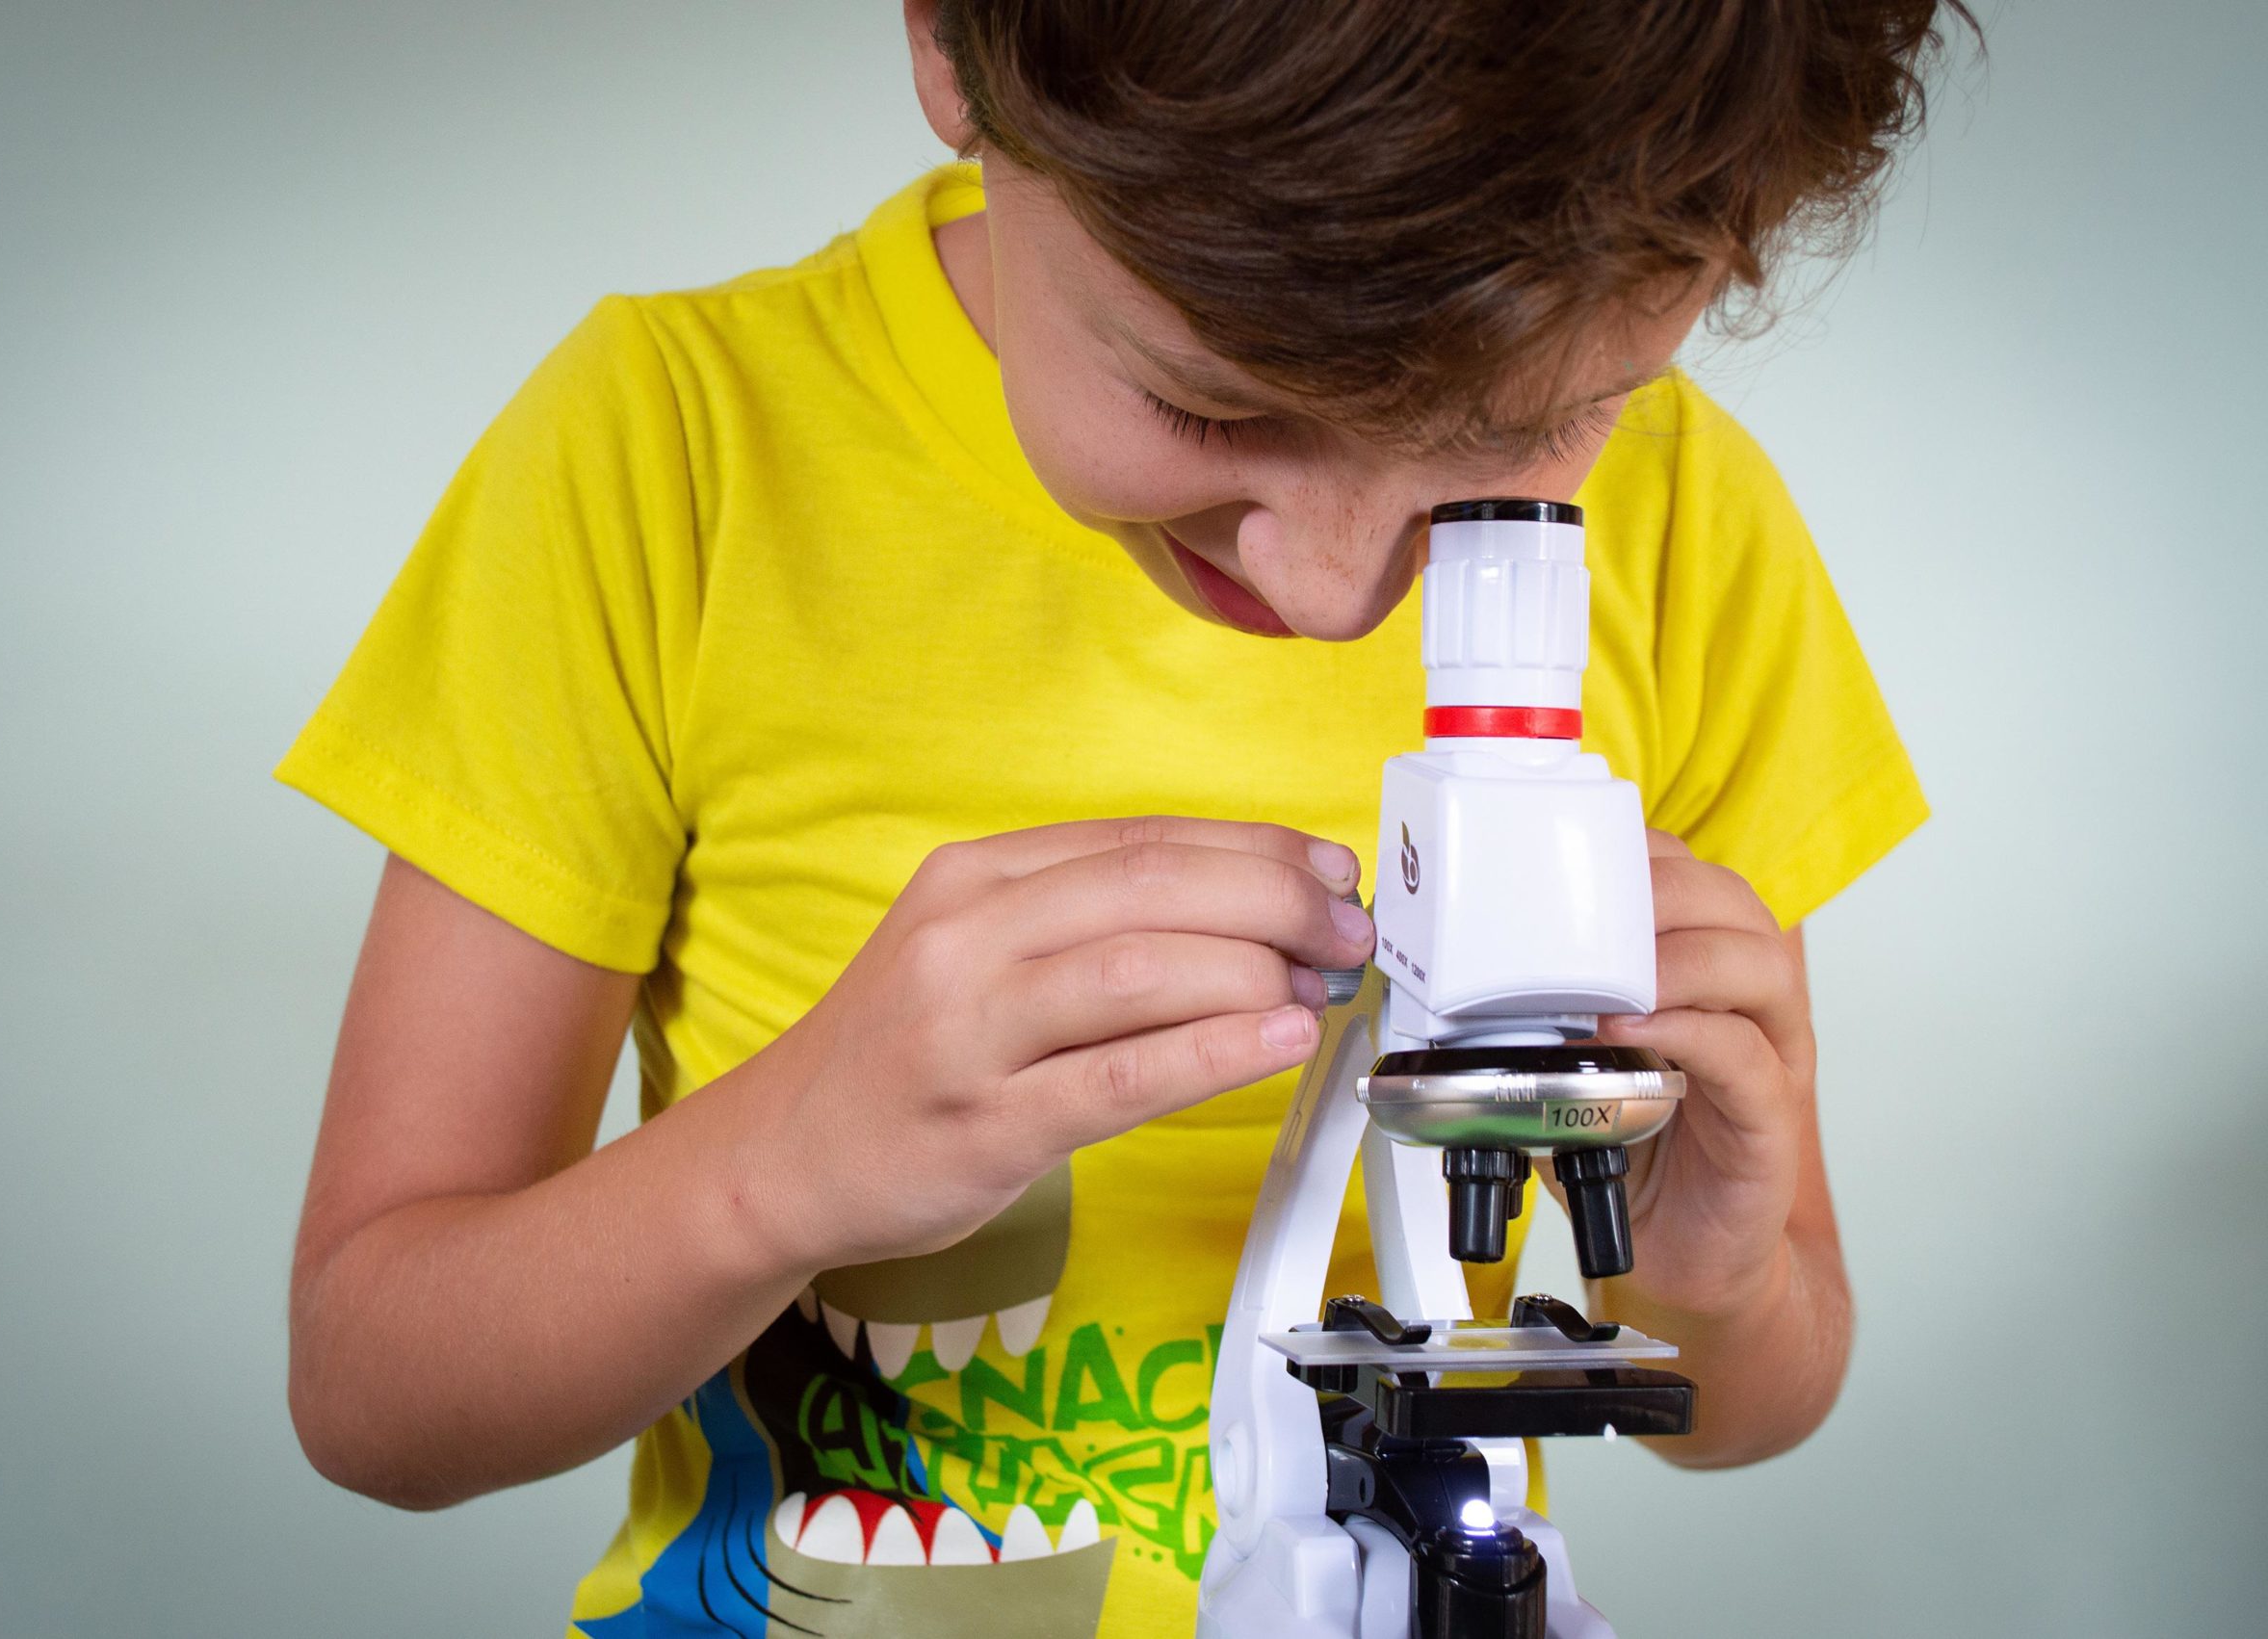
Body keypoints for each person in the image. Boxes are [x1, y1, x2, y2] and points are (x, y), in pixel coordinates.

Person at [275, 2, 1971, 1632]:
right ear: (953, 40)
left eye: (1525, 432)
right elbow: (374, 1389)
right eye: (1212, 406)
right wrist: (781, 1164)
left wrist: (1706, 1281)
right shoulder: (669, 455)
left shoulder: (1688, 536)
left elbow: (1758, 1391)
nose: (1335, 592)